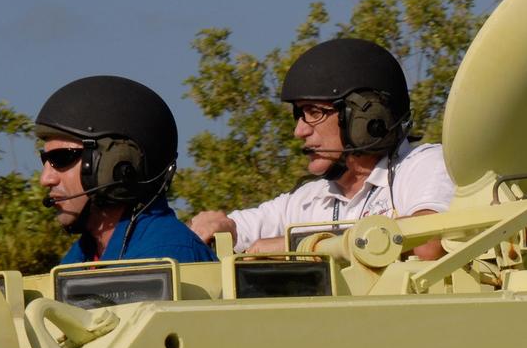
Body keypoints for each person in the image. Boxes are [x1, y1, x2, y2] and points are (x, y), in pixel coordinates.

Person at [190, 38, 454, 256]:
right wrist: (220, 225)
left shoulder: (423, 164)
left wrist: (297, 246)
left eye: (313, 112)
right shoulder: (310, 199)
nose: (299, 131)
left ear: (367, 117)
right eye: (299, 114)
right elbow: (241, 230)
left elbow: (427, 242)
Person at [36, 75, 216, 265]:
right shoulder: (81, 256)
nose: (45, 179)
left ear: (121, 166)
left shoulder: (164, 257)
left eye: (61, 158)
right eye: (45, 160)